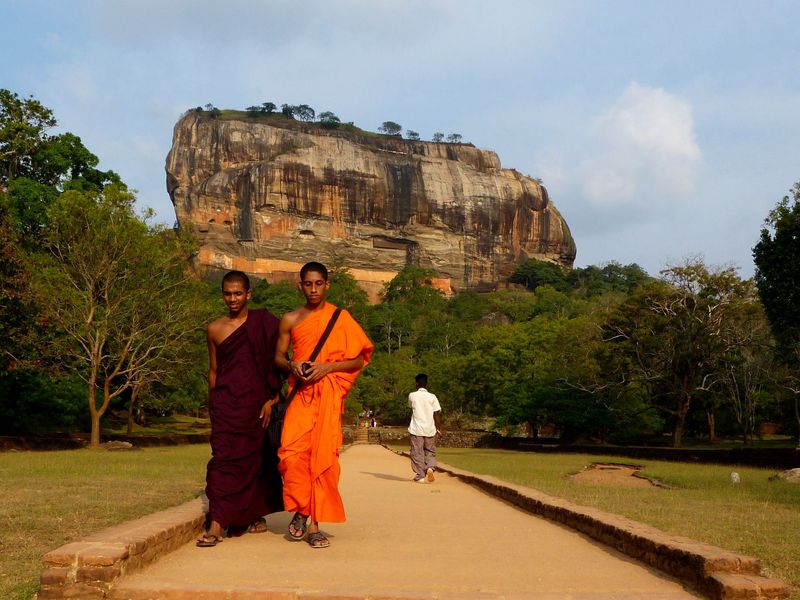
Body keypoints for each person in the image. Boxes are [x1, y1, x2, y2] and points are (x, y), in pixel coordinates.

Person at [276, 261, 374, 549]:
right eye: (308, 283)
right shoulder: (290, 320)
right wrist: (292, 364)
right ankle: (301, 509)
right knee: (291, 457)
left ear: (327, 285)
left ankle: (314, 524)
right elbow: (278, 357)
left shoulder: (340, 318)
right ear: (300, 285)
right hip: (300, 395)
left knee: (322, 459)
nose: (314, 289)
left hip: (327, 396)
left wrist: (327, 368)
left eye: (319, 283)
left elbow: (359, 359)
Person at [197, 270, 284, 547]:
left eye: (238, 293)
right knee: (222, 463)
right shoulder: (214, 329)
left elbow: (279, 366)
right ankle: (217, 524)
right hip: (226, 407)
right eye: (227, 293)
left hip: (256, 406)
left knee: (255, 462)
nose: (232, 299)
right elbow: (213, 371)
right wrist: (213, 407)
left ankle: (253, 513)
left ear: (248, 294)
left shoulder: (265, 323)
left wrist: (272, 400)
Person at [408, 373, 442, 483]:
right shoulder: (432, 397)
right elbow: (437, 414)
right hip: (430, 429)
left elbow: (410, 406)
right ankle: (430, 468)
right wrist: (439, 428)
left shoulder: (412, 395)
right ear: (426, 384)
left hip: (416, 429)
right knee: (430, 451)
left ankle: (420, 475)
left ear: (417, 384)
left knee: (417, 452)